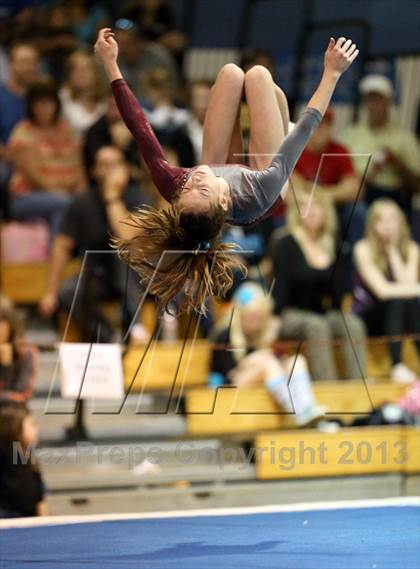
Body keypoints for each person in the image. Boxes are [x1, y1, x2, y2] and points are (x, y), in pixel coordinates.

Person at [94, 28, 359, 314]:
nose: (194, 179)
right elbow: (308, 128)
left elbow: (139, 128)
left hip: (223, 171)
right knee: (257, 76)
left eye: (186, 189)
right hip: (263, 187)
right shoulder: (259, 191)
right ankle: (281, 121)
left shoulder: (176, 183)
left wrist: (110, 64)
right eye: (201, 188)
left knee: (232, 74)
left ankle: (267, 118)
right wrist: (332, 72)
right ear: (221, 201)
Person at [39, 146, 152, 344]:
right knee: (67, 292)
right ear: (94, 171)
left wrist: (112, 197)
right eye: (104, 165)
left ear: (124, 168)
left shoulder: (139, 196)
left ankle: (134, 326)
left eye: (115, 164)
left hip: (138, 276)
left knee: (121, 251)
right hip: (97, 276)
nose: (110, 170)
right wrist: (50, 291)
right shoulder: (81, 203)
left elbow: (126, 235)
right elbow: (62, 246)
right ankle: (109, 338)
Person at [271, 191, 367, 381]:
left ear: (325, 211)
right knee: (317, 326)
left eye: (316, 205)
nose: (311, 211)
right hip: (290, 313)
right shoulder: (285, 243)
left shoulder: (334, 244)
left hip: (324, 313)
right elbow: (280, 288)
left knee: (353, 324)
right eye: (305, 205)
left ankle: (359, 386)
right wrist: (273, 319)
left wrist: (330, 260)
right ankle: (328, 388)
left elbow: (340, 296)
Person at [208, 282, 326, 426]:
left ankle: (307, 407)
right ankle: (299, 411)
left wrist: (271, 341)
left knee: (296, 360)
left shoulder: (261, 334)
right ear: (240, 314)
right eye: (252, 317)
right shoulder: (225, 335)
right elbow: (230, 373)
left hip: (262, 379)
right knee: (266, 361)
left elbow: (278, 362)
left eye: (260, 318)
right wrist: (259, 357)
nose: (256, 323)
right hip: (229, 388)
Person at [352, 199, 420, 383]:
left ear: (401, 221)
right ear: (373, 225)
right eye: (381, 220)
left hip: (403, 316)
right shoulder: (363, 248)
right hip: (369, 316)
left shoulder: (411, 248)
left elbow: (408, 284)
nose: (387, 225)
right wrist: (415, 289)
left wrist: (392, 250)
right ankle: (397, 364)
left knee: (409, 302)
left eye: (392, 219)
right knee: (397, 299)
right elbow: (382, 291)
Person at [8, 79, 86, 237]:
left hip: (66, 194)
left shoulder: (66, 130)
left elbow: (79, 168)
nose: (44, 109)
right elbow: (34, 178)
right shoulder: (23, 132)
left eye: (49, 103)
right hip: (27, 196)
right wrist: (65, 192)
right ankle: (58, 257)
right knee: (66, 204)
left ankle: (79, 258)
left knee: (86, 206)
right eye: (39, 104)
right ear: (31, 106)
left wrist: (84, 195)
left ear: (56, 105)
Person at [341, 74, 420, 215]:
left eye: (378, 99)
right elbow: (338, 176)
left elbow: (417, 185)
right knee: (356, 211)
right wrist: (370, 173)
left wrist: (397, 164)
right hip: (358, 197)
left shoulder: (404, 138)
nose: (374, 105)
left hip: (394, 197)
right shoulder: (350, 135)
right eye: (370, 99)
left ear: (388, 102)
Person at [0, 402, 47, 518]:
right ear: (14, 427)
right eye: (32, 425)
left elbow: (39, 500)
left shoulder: (27, 457)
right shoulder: (5, 456)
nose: (37, 429)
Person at [0, 296, 38, 403]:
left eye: (1, 321)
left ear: (11, 324)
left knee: (25, 419)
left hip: (14, 411)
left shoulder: (27, 352)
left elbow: (22, 394)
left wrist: (6, 365)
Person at [59, 50, 107, 136]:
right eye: (76, 69)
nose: (82, 73)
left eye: (86, 69)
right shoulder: (62, 99)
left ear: (96, 73)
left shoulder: (106, 101)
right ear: (69, 75)